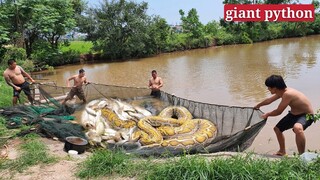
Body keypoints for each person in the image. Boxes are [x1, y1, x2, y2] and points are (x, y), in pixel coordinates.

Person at [254, 75, 314, 156]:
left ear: (275, 88)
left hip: (307, 115)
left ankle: (302, 156)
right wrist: (258, 105)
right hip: (294, 114)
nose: (268, 89)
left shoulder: (288, 94)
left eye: (269, 87)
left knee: (297, 128)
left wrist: (267, 114)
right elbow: (269, 100)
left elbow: (279, 111)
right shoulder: (281, 91)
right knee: (277, 129)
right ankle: (282, 151)